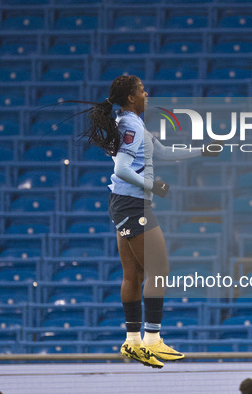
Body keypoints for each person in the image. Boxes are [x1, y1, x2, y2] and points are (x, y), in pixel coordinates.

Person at [81, 75, 218, 368]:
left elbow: (164, 152)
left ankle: (132, 341)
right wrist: (153, 184)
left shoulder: (129, 123)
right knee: (159, 269)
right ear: (131, 97)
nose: (147, 94)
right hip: (132, 203)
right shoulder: (131, 125)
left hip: (123, 203)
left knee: (135, 274)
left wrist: (202, 150)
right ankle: (153, 339)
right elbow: (121, 168)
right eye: (142, 90)